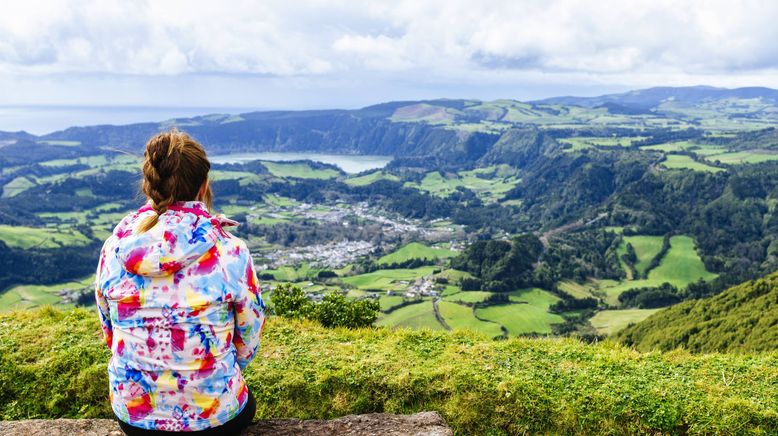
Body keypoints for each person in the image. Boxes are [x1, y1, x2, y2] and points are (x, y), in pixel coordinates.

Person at [94, 129, 266, 435]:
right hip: (214, 417)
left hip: (135, 417)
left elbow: (110, 332)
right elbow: (248, 341)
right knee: (245, 403)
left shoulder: (114, 248)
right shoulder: (230, 251)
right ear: (203, 186)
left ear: (149, 185)